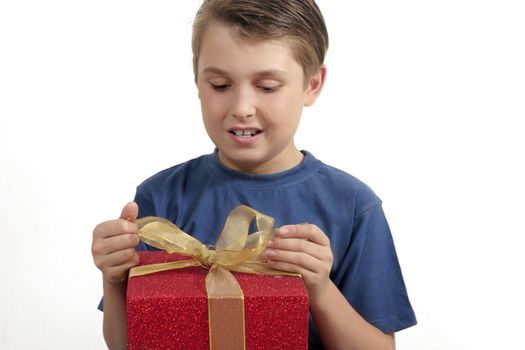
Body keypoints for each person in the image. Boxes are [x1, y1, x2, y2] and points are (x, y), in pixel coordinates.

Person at [91, 1, 417, 349]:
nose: (242, 108)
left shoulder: (352, 206)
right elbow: (127, 344)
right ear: (196, 78)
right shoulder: (160, 200)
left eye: (267, 87)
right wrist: (113, 279)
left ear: (312, 84)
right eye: (220, 85)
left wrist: (320, 288)